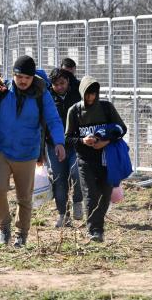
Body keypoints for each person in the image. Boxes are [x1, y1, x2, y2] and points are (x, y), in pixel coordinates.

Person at [0, 55, 66, 248]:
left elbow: (54, 119)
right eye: (19, 76)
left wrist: (59, 142)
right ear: (13, 75)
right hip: (2, 150)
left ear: (33, 78)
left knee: (24, 197)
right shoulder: (3, 89)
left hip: (27, 153)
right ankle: (4, 228)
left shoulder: (42, 94)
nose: (23, 81)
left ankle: (21, 234)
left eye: (27, 77)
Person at [65, 75, 127, 243]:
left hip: (107, 160)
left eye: (93, 94)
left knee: (105, 194)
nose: (90, 98)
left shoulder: (106, 108)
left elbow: (122, 128)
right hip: (85, 160)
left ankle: (98, 225)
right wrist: (82, 141)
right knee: (90, 194)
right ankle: (95, 230)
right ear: (82, 93)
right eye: (87, 94)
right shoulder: (75, 111)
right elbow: (68, 138)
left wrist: (106, 141)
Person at [47, 68, 83, 228]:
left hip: (75, 143)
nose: (60, 87)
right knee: (59, 180)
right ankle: (63, 215)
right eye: (56, 84)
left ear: (68, 81)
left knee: (77, 173)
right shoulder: (47, 97)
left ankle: (77, 201)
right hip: (54, 145)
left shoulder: (76, 93)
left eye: (62, 83)